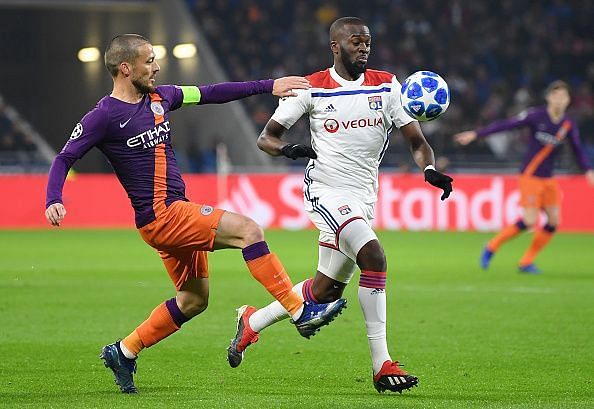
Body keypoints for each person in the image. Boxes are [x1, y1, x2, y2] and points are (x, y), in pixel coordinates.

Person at [44, 34, 346, 394]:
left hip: (171, 215)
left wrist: (269, 86)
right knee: (249, 230)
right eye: (149, 60)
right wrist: (53, 198)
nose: (156, 67)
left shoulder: (163, 97)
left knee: (193, 301)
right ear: (126, 68)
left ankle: (124, 351)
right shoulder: (103, 116)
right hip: (163, 215)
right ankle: (299, 311)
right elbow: (64, 157)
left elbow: (212, 92)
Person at [226, 17, 454, 394]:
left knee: (324, 291)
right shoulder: (310, 87)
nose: (363, 47)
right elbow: (266, 138)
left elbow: (416, 140)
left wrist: (428, 168)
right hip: (327, 192)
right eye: (355, 41)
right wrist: (291, 150)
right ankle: (383, 365)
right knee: (374, 256)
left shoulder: (387, 85)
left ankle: (252, 321)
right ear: (335, 46)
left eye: (367, 41)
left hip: (364, 196)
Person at [455, 80, 594, 274]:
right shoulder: (536, 116)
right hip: (530, 176)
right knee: (530, 220)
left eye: (563, 96)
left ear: (569, 100)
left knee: (554, 221)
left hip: (548, 178)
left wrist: (588, 169)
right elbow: (507, 125)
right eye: (556, 95)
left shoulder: (568, 124)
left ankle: (526, 261)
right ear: (548, 97)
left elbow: (577, 149)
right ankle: (492, 246)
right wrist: (477, 134)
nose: (560, 99)